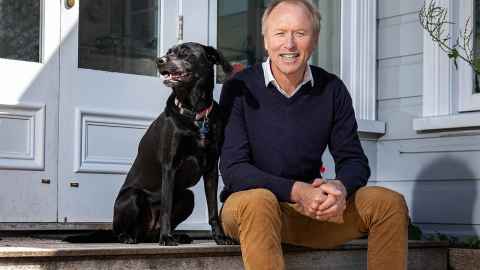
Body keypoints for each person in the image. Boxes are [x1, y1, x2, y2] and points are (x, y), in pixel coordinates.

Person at [218, 0, 409, 269]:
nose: (290, 44)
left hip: (310, 212)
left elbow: (354, 161)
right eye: (280, 33)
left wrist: (339, 188)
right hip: (248, 209)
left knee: (387, 203)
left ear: (315, 39)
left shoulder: (331, 88)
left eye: (300, 33)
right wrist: (297, 191)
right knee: (259, 201)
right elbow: (234, 170)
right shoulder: (239, 87)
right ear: (266, 40)